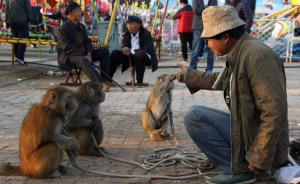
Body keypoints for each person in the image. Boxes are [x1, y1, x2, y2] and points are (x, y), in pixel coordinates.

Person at [176, 5, 289, 184]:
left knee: (195, 116)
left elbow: (273, 112)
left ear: (225, 36)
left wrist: (259, 157)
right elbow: (222, 80)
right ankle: (234, 165)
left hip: (262, 145)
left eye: (209, 40)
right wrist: (189, 75)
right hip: (247, 131)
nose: (208, 45)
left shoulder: (257, 55)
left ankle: (242, 171)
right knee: (195, 116)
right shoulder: (239, 51)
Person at [56, 2, 112, 90]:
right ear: (70, 13)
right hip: (69, 56)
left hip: (84, 54)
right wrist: (83, 55)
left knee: (104, 51)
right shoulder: (63, 29)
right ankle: (100, 84)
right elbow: (67, 47)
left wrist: (89, 53)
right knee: (83, 60)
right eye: (77, 11)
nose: (80, 13)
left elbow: (87, 42)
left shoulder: (81, 27)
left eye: (80, 10)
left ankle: (106, 80)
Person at [110, 15, 158, 87]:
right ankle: (108, 79)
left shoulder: (146, 34)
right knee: (115, 53)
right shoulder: (126, 35)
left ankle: (139, 81)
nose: (128, 26)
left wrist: (132, 51)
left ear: (138, 25)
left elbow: (146, 48)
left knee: (139, 54)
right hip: (130, 57)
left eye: (131, 24)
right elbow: (125, 46)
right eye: (128, 24)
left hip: (144, 57)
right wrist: (123, 49)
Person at [189, 0, 217, 72]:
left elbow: (215, 11)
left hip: (210, 26)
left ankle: (209, 70)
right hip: (198, 26)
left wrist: (204, 9)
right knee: (196, 49)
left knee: (211, 49)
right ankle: (192, 69)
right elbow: (196, 10)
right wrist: (208, 9)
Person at [5, 0, 33, 65]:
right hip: (22, 21)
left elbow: (7, 11)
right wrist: (31, 21)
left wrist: (7, 22)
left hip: (12, 21)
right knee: (24, 39)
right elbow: (29, 11)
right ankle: (20, 58)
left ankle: (17, 57)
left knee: (15, 40)